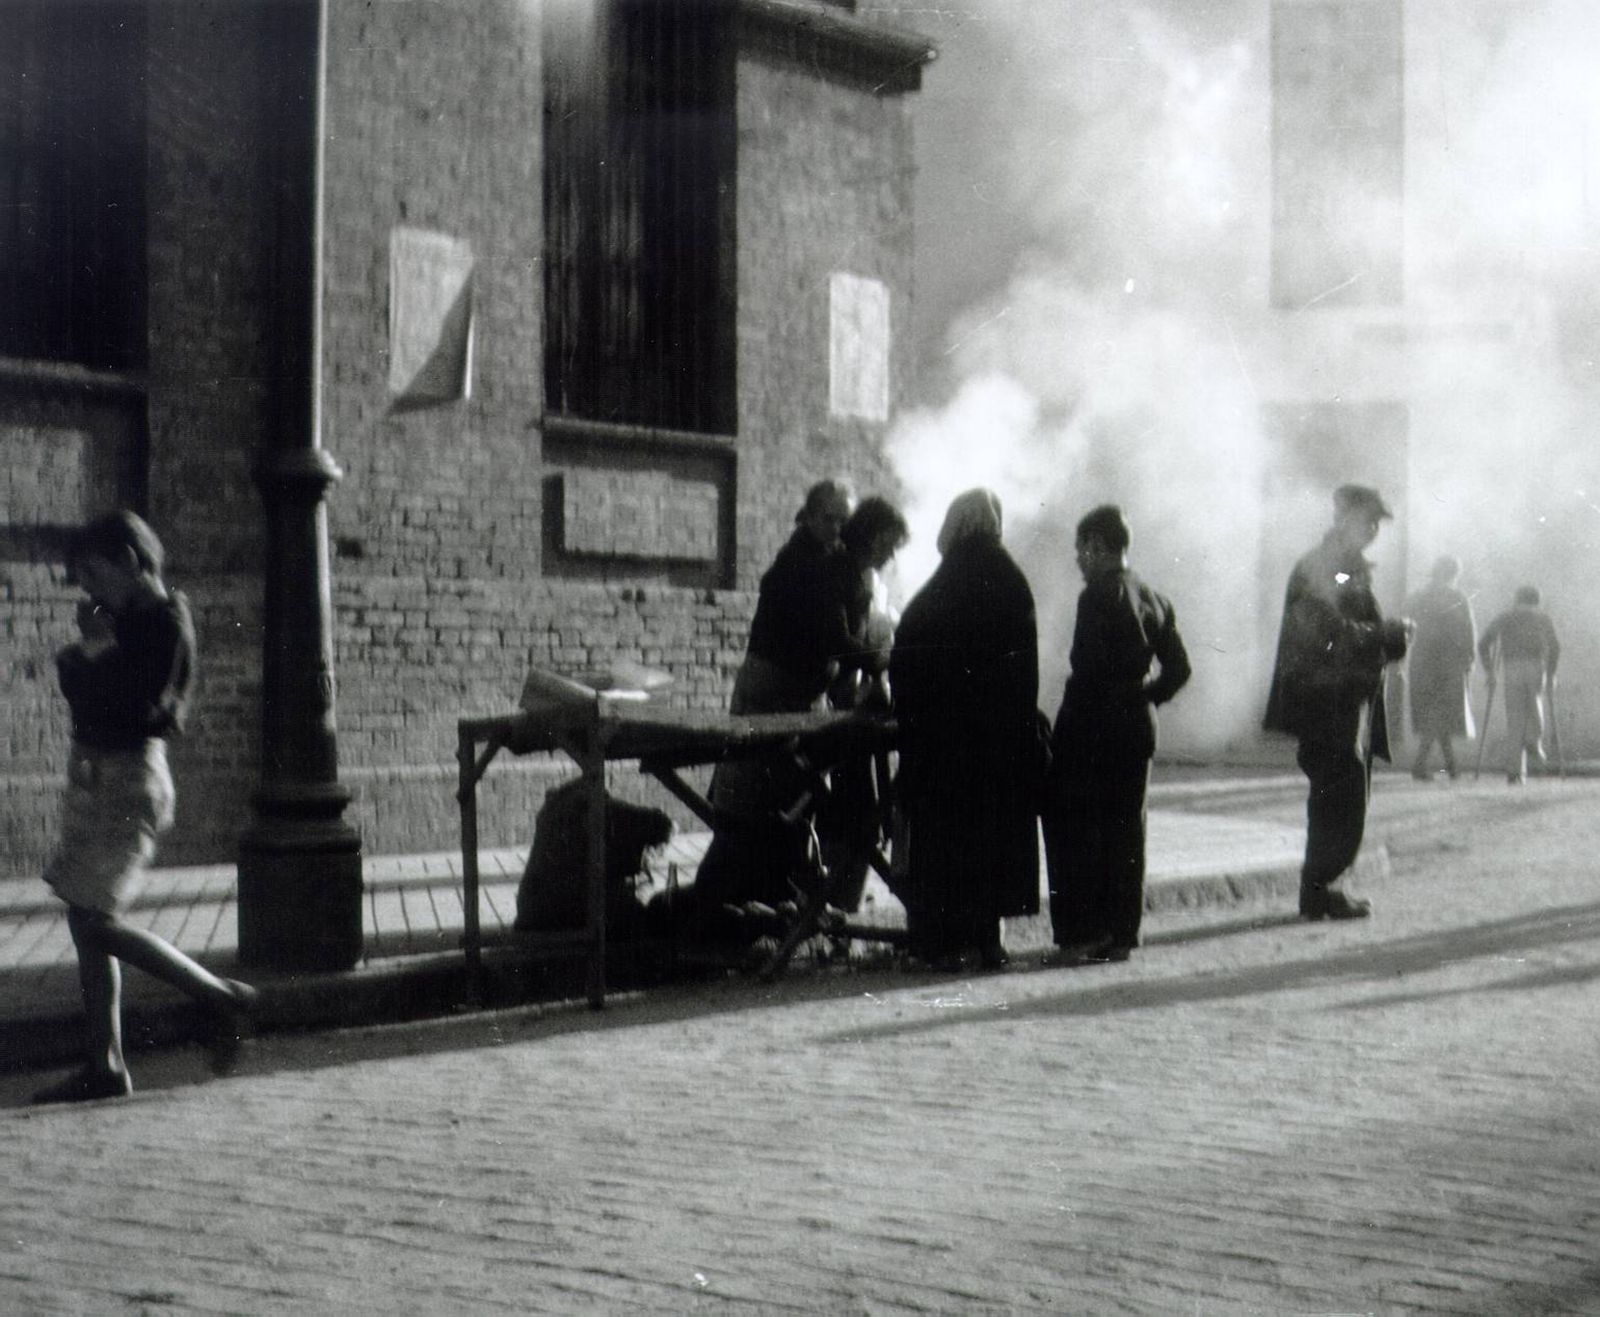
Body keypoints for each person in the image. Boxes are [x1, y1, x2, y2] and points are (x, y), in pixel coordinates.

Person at [32, 511, 258, 1104]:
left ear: (130, 560)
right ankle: (105, 1063)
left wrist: (86, 656)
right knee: (86, 922)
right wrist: (89, 659)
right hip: (99, 779)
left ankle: (217, 995)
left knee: (96, 922)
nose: (86, 589)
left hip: (127, 783)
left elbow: (130, 703)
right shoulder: (133, 619)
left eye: (92, 573)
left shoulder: (163, 622)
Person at [889, 488, 1041, 971]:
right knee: (991, 843)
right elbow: (1025, 671)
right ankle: (989, 942)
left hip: (946, 746)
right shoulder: (1013, 580)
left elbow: (908, 649)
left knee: (949, 842)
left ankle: (945, 944)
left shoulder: (944, 584)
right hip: (998, 743)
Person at [691, 479, 856, 922]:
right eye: (829, 518)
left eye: (843, 519)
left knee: (785, 795)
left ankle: (778, 890)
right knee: (754, 795)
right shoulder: (800, 562)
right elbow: (830, 636)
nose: (837, 527)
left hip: (795, 696)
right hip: (771, 694)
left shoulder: (823, 558)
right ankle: (730, 898)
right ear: (809, 515)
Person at [1042, 505, 1190, 964]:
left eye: (1081, 550)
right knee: (1129, 832)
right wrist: (1146, 696)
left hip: (1093, 727)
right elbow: (1180, 668)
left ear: (1098, 546)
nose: (1078, 560)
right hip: (1136, 726)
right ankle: (1124, 932)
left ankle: (1090, 932)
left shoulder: (1096, 597)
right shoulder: (1154, 595)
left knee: (1085, 831)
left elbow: (1086, 667)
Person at [1264, 484, 1410, 921]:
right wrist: (1385, 634)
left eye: (1376, 525)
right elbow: (1325, 632)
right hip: (1328, 702)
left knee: (1344, 797)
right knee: (1338, 797)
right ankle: (1322, 889)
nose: (1372, 531)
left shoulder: (1343, 567)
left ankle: (1324, 890)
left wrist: (1390, 638)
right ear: (1344, 519)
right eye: (1366, 521)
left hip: (1343, 700)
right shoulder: (1325, 567)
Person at [818, 496, 909, 914]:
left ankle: (838, 901)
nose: (891, 555)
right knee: (856, 810)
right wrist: (877, 659)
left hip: (844, 703)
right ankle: (835, 903)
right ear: (873, 538)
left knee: (859, 807)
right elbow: (835, 638)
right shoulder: (841, 573)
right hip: (828, 705)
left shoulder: (855, 573)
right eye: (889, 544)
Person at [1403, 555, 1477, 781]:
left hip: (1423, 659)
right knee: (1441, 712)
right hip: (1449, 661)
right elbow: (1468, 630)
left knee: (1433, 711)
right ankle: (1427, 765)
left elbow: (1405, 625)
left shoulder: (1418, 597)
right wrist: (1470, 658)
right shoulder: (1457, 597)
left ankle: (1450, 766)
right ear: (1453, 574)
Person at [1478, 585, 1561, 784]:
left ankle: (1515, 772)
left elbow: (1483, 644)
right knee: (1535, 706)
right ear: (1537, 601)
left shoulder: (1506, 617)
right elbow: (1555, 647)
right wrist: (1551, 674)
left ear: (1517, 599)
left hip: (1511, 668)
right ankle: (1534, 739)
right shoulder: (1543, 618)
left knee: (1515, 719)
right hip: (1536, 667)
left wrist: (1490, 671)